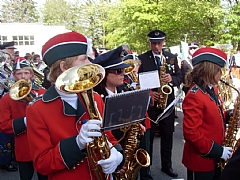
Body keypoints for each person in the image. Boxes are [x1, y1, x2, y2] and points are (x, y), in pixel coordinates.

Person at [26, 32, 124, 180]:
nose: (91, 64)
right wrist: (76, 144)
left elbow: (108, 137)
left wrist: (116, 154)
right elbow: (42, 164)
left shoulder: (96, 98)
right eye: (84, 59)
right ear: (64, 67)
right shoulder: (37, 109)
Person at [94, 45, 152, 180]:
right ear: (104, 75)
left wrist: (137, 124)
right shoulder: (97, 99)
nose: (124, 73)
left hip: (126, 150)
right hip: (110, 154)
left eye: (124, 70)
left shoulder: (123, 90)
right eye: (118, 70)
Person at [182, 47, 233, 180]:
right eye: (218, 70)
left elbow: (214, 114)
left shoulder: (212, 88)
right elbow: (191, 133)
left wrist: (230, 115)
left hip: (214, 156)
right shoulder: (194, 95)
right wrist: (219, 151)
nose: (221, 74)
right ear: (209, 70)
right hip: (201, 160)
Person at [138, 29, 182, 178]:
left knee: (167, 136)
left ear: (164, 42)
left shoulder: (171, 57)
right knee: (148, 139)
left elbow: (180, 76)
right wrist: (150, 93)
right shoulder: (142, 58)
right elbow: (138, 81)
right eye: (154, 43)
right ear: (149, 43)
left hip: (167, 104)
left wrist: (172, 79)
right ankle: (146, 169)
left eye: (159, 43)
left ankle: (167, 165)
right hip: (151, 105)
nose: (157, 47)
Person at [0, 59, 47, 180]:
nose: (23, 76)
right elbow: (3, 125)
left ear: (31, 74)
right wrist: (26, 120)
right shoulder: (7, 98)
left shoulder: (43, 92)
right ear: (14, 75)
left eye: (26, 72)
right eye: (19, 73)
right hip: (24, 148)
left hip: (45, 146)